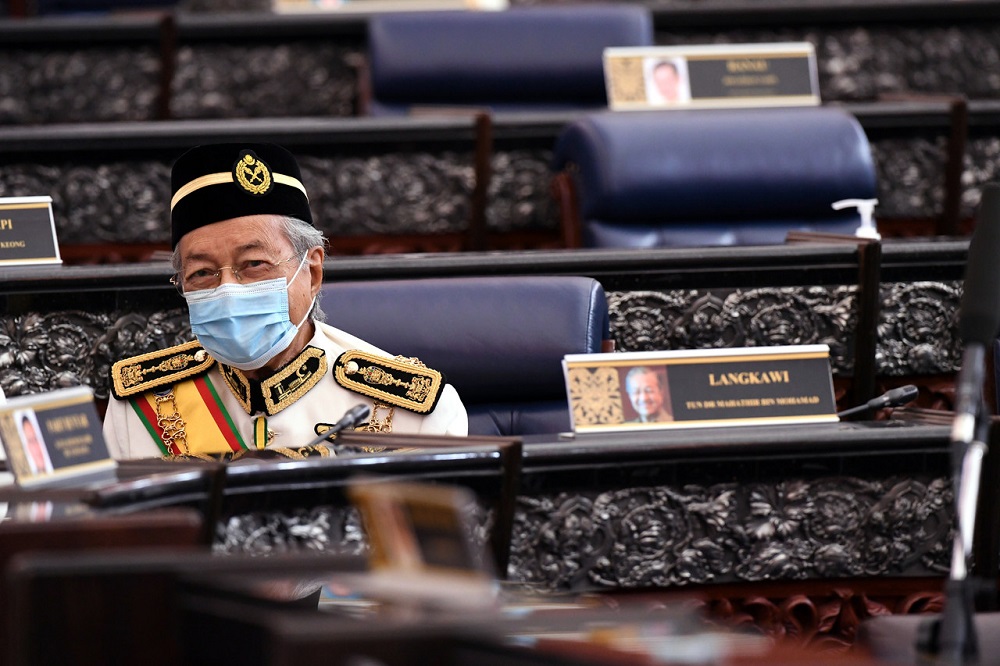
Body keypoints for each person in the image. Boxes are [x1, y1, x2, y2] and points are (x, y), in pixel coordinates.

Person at [104, 143, 468, 460]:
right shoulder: (139, 406)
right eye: (202, 273)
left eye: (254, 265)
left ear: (312, 272)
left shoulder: (411, 411)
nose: (228, 288)